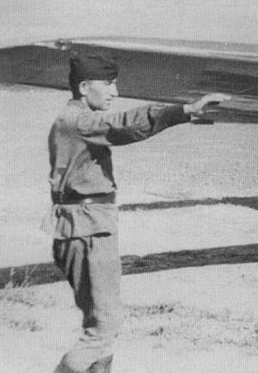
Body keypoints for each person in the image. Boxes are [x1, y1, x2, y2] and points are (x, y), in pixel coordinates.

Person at [47, 54, 227, 373]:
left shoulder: (73, 119)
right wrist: (184, 110)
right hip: (89, 229)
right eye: (108, 84)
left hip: (83, 226)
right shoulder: (79, 121)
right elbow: (124, 126)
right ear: (84, 87)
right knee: (103, 328)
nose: (114, 92)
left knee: (100, 324)